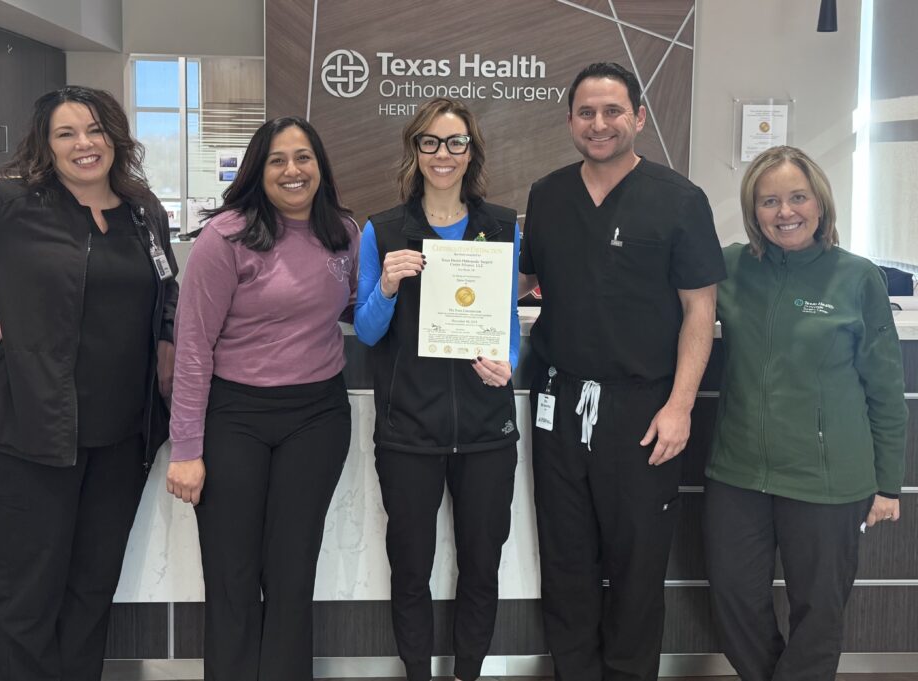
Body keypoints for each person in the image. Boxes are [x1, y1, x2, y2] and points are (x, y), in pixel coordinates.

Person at [0, 86, 178, 681]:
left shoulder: (143, 211)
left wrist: (168, 338)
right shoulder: (11, 204)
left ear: (116, 137)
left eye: (95, 130)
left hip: (121, 437)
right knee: (24, 601)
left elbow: (165, 287)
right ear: (46, 146)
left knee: (90, 594)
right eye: (66, 133)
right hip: (28, 429)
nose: (84, 144)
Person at [518, 62, 726, 680]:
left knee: (638, 566)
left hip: (643, 410)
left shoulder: (680, 200)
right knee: (566, 559)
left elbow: (700, 310)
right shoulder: (548, 195)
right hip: (558, 401)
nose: (599, 124)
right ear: (570, 122)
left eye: (613, 111)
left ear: (638, 117)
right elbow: (524, 282)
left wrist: (681, 405)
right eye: (586, 112)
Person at [165, 116, 358, 681]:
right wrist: (187, 448)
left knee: (293, 574)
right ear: (259, 169)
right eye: (278, 160)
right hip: (236, 418)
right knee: (231, 575)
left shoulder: (343, 232)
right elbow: (194, 346)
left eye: (303, 158)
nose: (293, 170)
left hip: (318, 417)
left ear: (320, 167)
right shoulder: (224, 237)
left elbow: (350, 309)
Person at [704, 145, 907, 681]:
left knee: (819, 613)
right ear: (753, 210)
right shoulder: (729, 267)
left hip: (828, 479)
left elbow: (885, 388)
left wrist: (889, 484)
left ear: (820, 203)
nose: (784, 211)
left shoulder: (857, 278)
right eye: (769, 201)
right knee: (733, 602)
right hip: (739, 472)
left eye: (797, 197)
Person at [355, 97, 522, 681]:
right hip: (409, 432)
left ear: (471, 151)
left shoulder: (501, 225)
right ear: (415, 150)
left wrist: (509, 363)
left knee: (481, 566)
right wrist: (390, 286)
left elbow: (506, 320)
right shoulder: (384, 230)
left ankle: (469, 673)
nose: (442, 154)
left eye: (454, 143)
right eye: (430, 142)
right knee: (410, 568)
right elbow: (370, 332)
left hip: (486, 431)